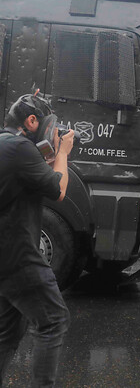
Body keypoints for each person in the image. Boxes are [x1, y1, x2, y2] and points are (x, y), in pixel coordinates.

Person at [0, 94, 75, 386]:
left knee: (7, 332)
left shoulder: (7, 145)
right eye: (48, 124)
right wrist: (63, 153)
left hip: (4, 255)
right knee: (53, 320)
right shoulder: (19, 148)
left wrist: (46, 157)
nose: (52, 131)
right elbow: (57, 190)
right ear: (31, 122)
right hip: (18, 254)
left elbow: (23, 182)